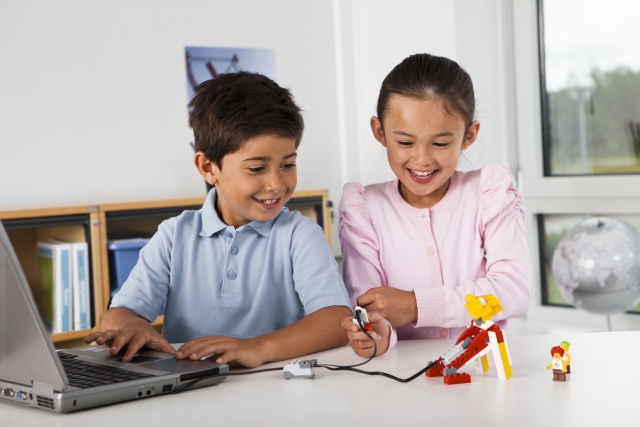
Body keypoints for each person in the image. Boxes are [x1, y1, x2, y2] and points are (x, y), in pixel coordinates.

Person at [85, 72, 352, 367]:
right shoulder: (174, 235)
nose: (276, 184)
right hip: (191, 387)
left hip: (274, 384)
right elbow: (117, 315)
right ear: (208, 167)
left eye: (288, 164)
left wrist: (257, 348)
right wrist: (132, 326)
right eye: (257, 168)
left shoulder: (299, 235)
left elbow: (337, 320)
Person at [339, 53, 531, 357]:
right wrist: (377, 333)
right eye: (405, 142)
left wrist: (417, 305)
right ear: (380, 132)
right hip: (402, 368)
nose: (422, 159)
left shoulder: (488, 191)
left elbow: (513, 292)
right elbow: (371, 307)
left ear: (468, 135)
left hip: (483, 367)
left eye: (440, 143)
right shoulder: (363, 208)